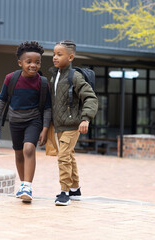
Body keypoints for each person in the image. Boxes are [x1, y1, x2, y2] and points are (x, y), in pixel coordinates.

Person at [0, 41, 52, 203]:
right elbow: (2, 99)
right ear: (20, 63)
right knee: (18, 153)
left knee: (29, 148)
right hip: (15, 121)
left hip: (34, 120)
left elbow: (47, 107)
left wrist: (45, 128)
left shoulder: (43, 83)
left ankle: (27, 186)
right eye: (29, 62)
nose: (33, 65)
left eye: (37, 62)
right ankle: (24, 186)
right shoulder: (11, 78)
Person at [50, 40, 98, 206]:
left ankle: (64, 193)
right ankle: (75, 189)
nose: (55, 57)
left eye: (59, 54)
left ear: (70, 57)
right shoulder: (55, 75)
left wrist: (85, 118)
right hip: (59, 125)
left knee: (63, 157)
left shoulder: (74, 76)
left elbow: (90, 97)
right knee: (69, 156)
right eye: (54, 54)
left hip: (72, 125)